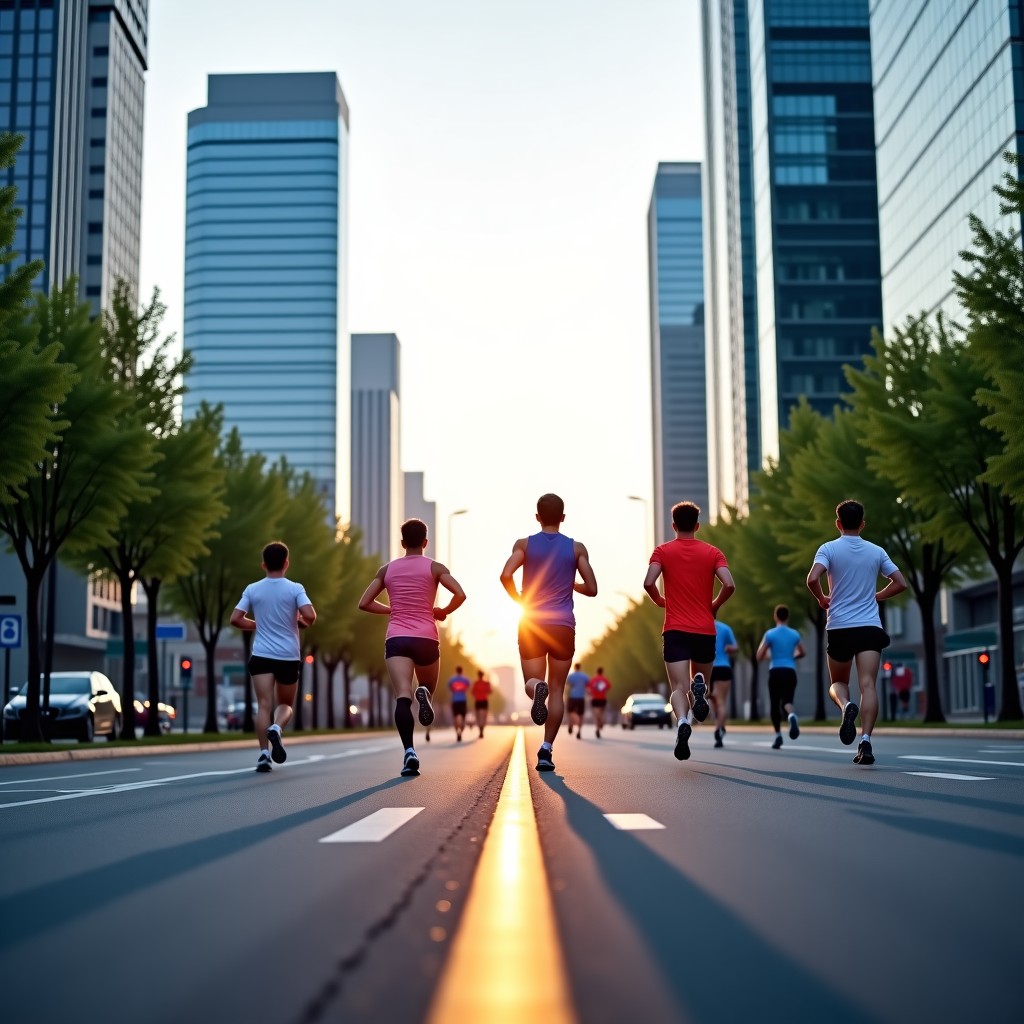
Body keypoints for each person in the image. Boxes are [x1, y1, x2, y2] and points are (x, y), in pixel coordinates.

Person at [358, 519, 466, 776]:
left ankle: (409, 753)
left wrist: (391, 609)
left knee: (402, 696)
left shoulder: (387, 570)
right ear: (425, 542)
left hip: (397, 638)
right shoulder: (436, 567)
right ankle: (424, 695)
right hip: (427, 638)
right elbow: (460, 594)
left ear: (403, 543)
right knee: (426, 687)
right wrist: (442, 611)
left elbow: (364, 602)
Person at [500, 493, 598, 772]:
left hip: (532, 621)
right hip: (563, 626)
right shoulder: (577, 549)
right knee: (557, 690)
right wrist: (571, 584)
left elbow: (505, 575)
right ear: (563, 518)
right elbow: (592, 588)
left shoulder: (524, 545)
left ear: (537, 517)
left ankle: (535, 688)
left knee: (533, 681)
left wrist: (519, 599)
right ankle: (546, 750)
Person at [806, 500, 907, 766]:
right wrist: (877, 596)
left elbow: (812, 578)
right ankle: (866, 742)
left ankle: (845, 706)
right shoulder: (876, 551)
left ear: (838, 523)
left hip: (839, 626)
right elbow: (900, 583)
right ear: (862, 523)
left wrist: (822, 599)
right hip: (869, 627)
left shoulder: (828, 548)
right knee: (868, 685)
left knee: (838, 683)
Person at [644, 501, 735, 762]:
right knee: (701, 687)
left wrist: (660, 600)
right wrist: (714, 605)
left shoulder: (662, 551)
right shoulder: (713, 552)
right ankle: (700, 688)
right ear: (697, 525)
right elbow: (729, 584)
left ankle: (682, 720)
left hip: (675, 629)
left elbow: (649, 582)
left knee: (678, 687)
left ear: (673, 525)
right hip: (705, 630)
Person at [230, 541, 317, 774]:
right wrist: (299, 622)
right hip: (288, 656)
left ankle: (263, 755)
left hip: (261, 655)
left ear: (263, 565)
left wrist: (259, 624)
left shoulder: (253, 589)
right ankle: (277, 728)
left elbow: (236, 618)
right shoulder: (295, 588)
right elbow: (310, 615)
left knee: (263, 705)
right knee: (286, 704)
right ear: (286, 563)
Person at [757, 605, 806, 750]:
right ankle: (791, 715)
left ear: (775, 616)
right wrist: (793, 656)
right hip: (790, 671)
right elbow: (803, 652)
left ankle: (778, 735)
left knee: (774, 703)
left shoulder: (770, 634)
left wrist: (770, 657)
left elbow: (759, 655)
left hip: (775, 671)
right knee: (787, 700)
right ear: (788, 617)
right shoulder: (795, 634)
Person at [710, 614, 738, 748]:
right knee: (721, 701)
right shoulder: (725, 628)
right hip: (723, 667)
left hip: (707, 668)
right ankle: (719, 728)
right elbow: (735, 647)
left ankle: (719, 727)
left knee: (714, 700)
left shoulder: (700, 627)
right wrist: (727, 648)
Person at [565, 663, 589, 739]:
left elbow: (567, 686)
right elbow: (588, 687)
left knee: (570, 712)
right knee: (581, 714)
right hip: (581, 697)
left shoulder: (571, 676)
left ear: (574, 668)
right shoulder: (585, 676)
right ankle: (579, 731)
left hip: (572, 697)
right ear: (580, 667)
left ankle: (572, 724)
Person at [587, 666, 612, 738]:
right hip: (603, 699)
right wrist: (603, 692)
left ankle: (598, 727)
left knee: (596, 714)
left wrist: (591, 694)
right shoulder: (605, 680)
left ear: (597, 672)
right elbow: (608, 687)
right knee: (601, 713)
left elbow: (589, 690)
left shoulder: (593, 680)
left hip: (595, 699)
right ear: (602, 672)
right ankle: (600, 723)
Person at [447, 665, 470, 741]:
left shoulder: (452, 679)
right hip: (463, 700)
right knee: (463, 718)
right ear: (462, 671)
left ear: (456, 671)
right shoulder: (465, 680)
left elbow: (450, 687)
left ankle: (457, 732)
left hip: (455, 700)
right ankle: (461, 732)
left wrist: (455, 691)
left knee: (455, 717)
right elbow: (467, 687)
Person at [472, 670, 492, 738]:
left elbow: (472, 692)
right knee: (484, 716)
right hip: (484, 701)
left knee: (478, 716)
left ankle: (480, 729)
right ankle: (482, 729)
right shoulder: (486, 683)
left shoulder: (476, 683)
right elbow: (490, 691)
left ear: (478, 675)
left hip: (478, 701)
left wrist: (477, 694)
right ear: (483, 675)